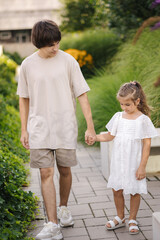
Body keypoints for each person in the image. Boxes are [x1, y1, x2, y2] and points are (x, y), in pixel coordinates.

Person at [17, 20, 96, 240]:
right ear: (38, 43)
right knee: (45, 172)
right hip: (39, 128)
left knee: (65, 171)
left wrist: (90, 126)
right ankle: (52, 224)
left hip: (65, 126)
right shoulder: (27, 65)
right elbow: (23, 98)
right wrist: (24, 129)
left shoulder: (68, 61)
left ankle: (63, 208)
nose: (55, 47)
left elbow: (82, 93)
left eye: (57, 42)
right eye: (50, 44)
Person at [88, 81, 158, 235]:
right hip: (119, 162)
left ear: (137, 101)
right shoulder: (118, 117)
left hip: (134, 163)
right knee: (117, 190)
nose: (124, 107)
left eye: (127, 104)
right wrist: (95, 137)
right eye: (121, 104)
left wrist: (142, 167)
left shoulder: (143, 120)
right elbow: (109, 136)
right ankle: (120, 217)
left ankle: (132, 218)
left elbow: (147, 145)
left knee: (134, 191)